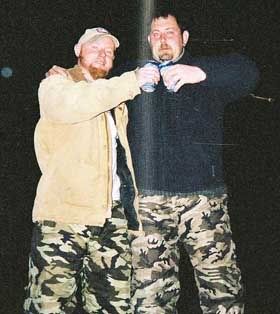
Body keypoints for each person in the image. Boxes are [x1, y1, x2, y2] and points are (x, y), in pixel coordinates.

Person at [47, 9, 259, 314]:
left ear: (184, 38)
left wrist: (198, 72)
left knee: (222, 293)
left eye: (170, 32)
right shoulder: (133, 75)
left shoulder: (205, 74)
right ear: (148, 39)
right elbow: (92, 85)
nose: (162, 40)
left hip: (205, 202)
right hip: (148, 206)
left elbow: (248, 72)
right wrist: (65, 75)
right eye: (156, 34)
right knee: (150, 300)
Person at [23, 27, 158, 314]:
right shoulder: (56, 84)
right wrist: (132, 80)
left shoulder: (115, 102)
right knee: (50, 306)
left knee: (113, 306)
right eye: (96, 47)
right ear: (77, 50)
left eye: (109, 52)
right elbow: (76, 103)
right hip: (63, 218)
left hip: (111, 219)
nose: (103, 54)